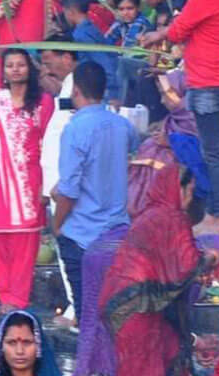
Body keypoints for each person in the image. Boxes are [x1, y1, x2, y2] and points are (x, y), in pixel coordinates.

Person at [95, 159, 208, 376]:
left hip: (121, 301)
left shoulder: (150, 214)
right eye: (188, 191)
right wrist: (211, 258)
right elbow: (188, 264)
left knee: (170, 349)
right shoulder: (172, 217)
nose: (190, 197)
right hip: (135, 306)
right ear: (177, 189)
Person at [140, 0, 219, 233]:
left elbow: (178, 30)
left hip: (209, 80)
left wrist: (159, 34)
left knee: (214, 152)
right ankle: (216, 214)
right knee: (216, 151)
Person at [52, 61, 133, 327]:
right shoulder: (122, 126)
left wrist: (58, 226)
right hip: (117, 233)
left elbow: (69, 189)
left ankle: (89, 365)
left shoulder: (75, 128)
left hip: (82, 234)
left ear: (75, 90)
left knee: (87, 315)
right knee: (113, 313)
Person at [0, 48, 56, 309]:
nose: (15, 69)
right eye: (10, 65)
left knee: (26, 239)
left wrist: (47, 183)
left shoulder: (44, 102)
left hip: (29, 177)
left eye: (20, 65)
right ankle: (4, 294)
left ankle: (18, 298)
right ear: (4, 71)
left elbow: (49, 143)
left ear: (29, 68)